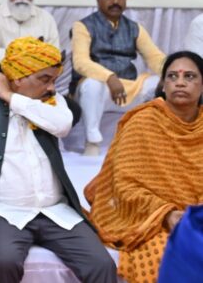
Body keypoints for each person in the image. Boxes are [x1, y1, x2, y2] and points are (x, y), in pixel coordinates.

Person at [0, 36, 116, 283]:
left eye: (54, 80)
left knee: (101, 264)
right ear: (19, 77)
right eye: (44, 79)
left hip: (56, 211)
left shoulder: (54, 103)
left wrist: (11, 97)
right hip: (3, 212)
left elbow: (62, 124)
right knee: (4, 262)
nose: (51, 88)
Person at [85, 51, 203, 283]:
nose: (179, 82)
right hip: (149, 220)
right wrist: (166, 214)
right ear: (162, 84)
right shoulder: (142, 121)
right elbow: (125, 186)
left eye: (189, 76)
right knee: (161, 260)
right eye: (172, 76)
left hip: (197, 217)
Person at [71, 0, 165, 156]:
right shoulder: (83, 26)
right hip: (101, 90)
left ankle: (156, 140)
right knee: (91, 84)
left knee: (160, 83)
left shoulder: (134, 27)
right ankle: (92, 142)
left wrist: (172, 73)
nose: (115, 1)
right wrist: (109, 77)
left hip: (130, 87)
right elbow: (80, 62)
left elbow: (155, 57)